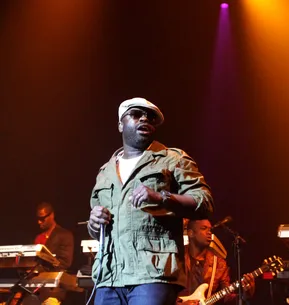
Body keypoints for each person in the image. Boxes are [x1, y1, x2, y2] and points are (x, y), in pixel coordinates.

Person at [87, 97, 214, 305]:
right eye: (136, 114)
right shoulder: (105, 172)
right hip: (109, 277)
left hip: (153, 273)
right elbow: (97, 231)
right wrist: (93, 223)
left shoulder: (172, 159)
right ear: (120, 124)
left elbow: (205, 202)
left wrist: (162, 197)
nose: (145, 119)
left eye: (151, 117)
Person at [177, 219, 255, 305]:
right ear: (190, 233)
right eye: (204, 228)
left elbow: (227, 297)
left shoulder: (219, 263)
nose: (209, 232)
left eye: (210, 229)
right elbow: (164, 290)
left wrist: (244, 296)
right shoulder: (176, 257)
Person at [34, 202, 74, 305]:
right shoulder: (38, 238)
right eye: (38, 218)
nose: (39, 222)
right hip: (35, 290)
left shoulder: (64, 235)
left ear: (51, 215)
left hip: (53, 291)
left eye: (42, 218)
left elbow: (64, 263)